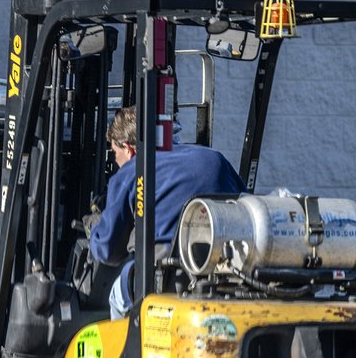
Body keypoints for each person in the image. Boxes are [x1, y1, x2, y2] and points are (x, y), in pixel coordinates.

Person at [89, 108, 246, 319]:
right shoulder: (214, 159)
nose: (117, 163)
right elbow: (245, 206)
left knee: (116, 295)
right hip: (226, 273)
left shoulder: (133, 171)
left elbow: (108, 251)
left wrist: (95, 228)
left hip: (168, 278)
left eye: (115, 154)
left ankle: (131, 341)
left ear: (128, 148)